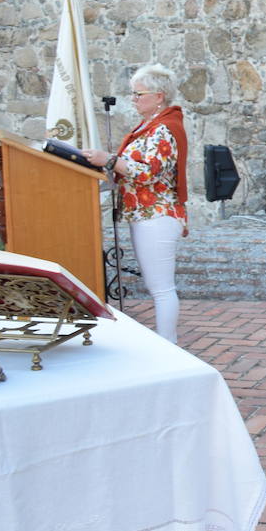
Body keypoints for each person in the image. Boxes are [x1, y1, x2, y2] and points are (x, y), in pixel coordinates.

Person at [81, 63, 188, 344]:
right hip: (145, 214)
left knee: (162, 289)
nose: (133, 98)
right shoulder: (150, 125)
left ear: (159, 96)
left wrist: (110, 160)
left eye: (139, 94)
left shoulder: (164, 128)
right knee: (159, 287)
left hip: (157, 215)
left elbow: (149, 171)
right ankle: (168, 344)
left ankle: (169, 347)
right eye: (133, 93)